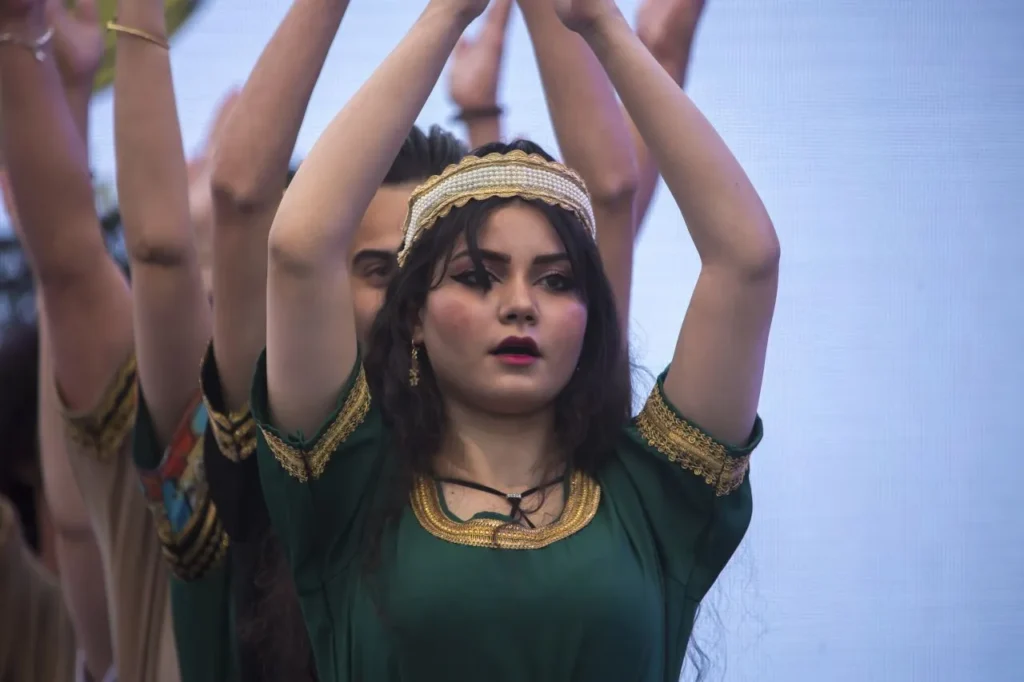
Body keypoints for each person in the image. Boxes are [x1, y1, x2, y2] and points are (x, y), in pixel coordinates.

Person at [252, 0, 779, 680]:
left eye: (557, 282)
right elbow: (298, 248)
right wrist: (447, 15)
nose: (521, 304)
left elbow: (746, 260)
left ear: (592, 320)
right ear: (412, 317)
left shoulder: (653, 494)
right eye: (478, 277)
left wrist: (602, 25)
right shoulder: (350, 485)